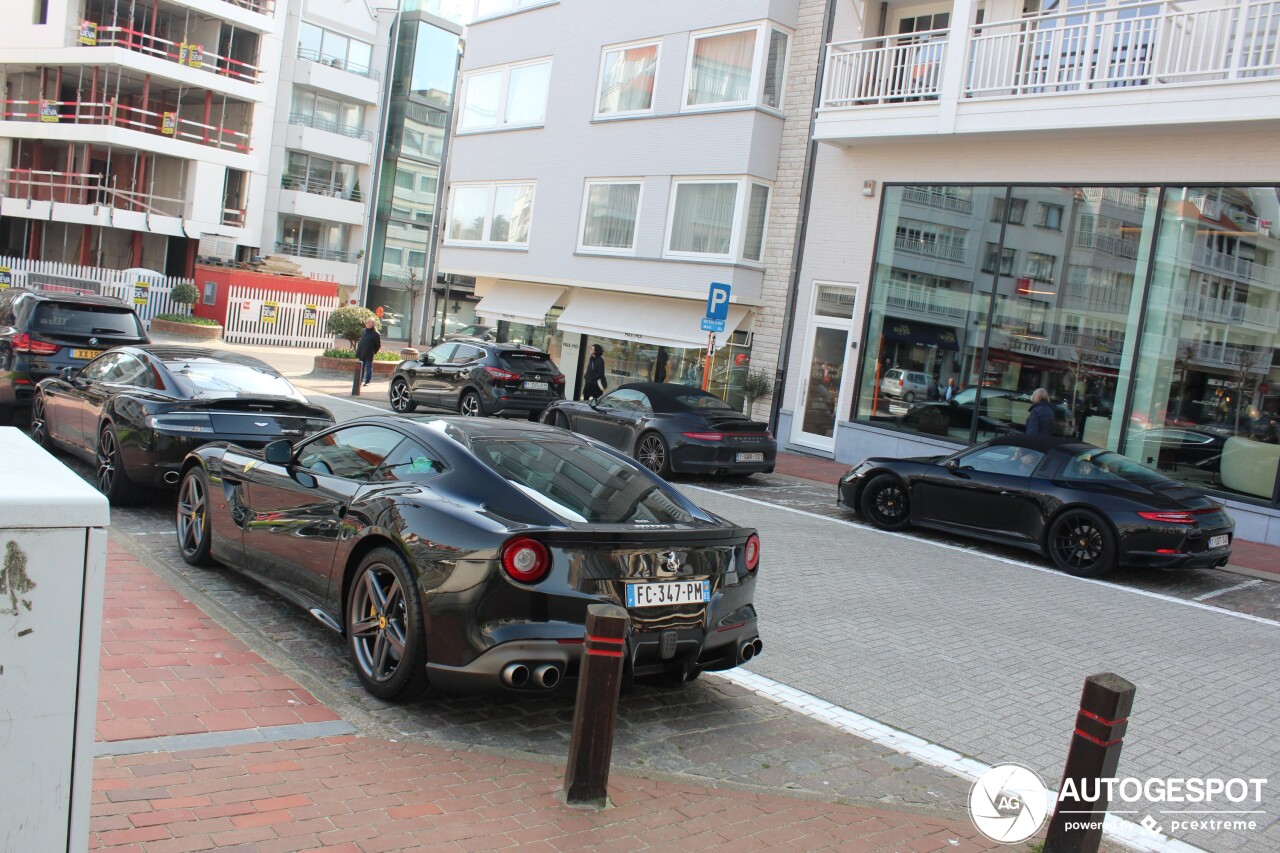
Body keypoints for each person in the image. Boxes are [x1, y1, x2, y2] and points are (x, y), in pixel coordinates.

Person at [355, 317, 381, 387]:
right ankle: (360, 380)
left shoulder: (376, 334)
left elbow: (378, 345)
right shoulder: (364, 331)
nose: (366, 323)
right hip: (362, 352)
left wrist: (373, 351)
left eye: (368, 322)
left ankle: (367, 381)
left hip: (369, 353)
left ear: (372, 324)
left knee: (368, 367)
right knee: (361, 367)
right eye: (366, 322)